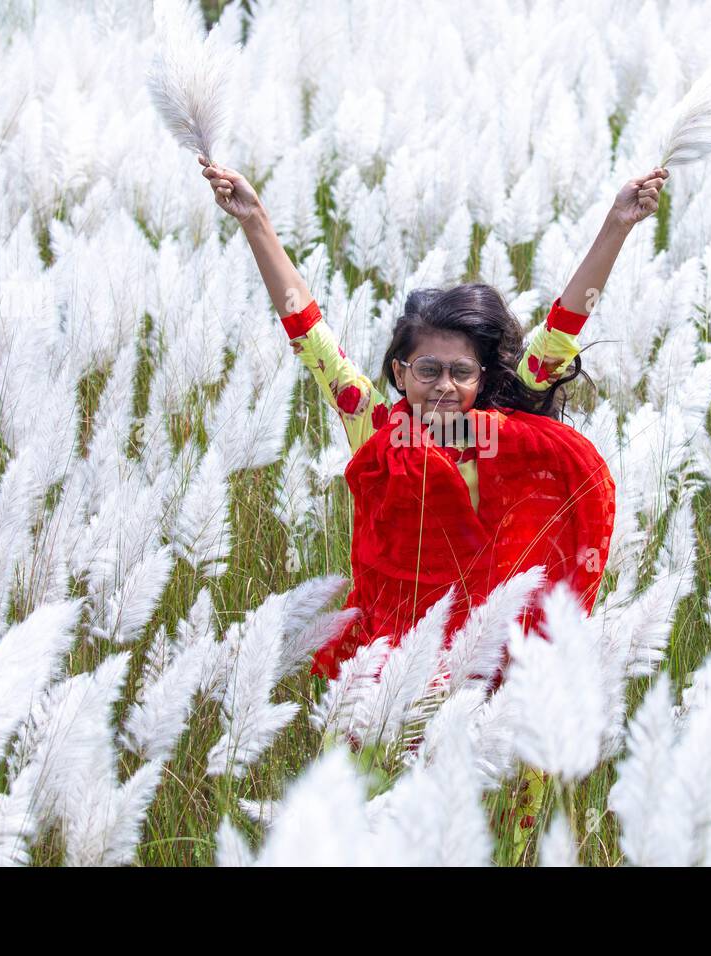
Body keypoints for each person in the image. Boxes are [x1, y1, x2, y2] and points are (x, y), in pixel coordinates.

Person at [200, 153, 666, 859]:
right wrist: (257, 222)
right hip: (387, 681)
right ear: (399, 372)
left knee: (491, 846)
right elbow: (310, 337)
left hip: (495, 679)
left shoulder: (502, 437)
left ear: (484, 376)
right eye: (428, 370)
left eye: (460, 371)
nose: (443, 385)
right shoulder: (375, 426)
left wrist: (617, 224)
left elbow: (560, 332)